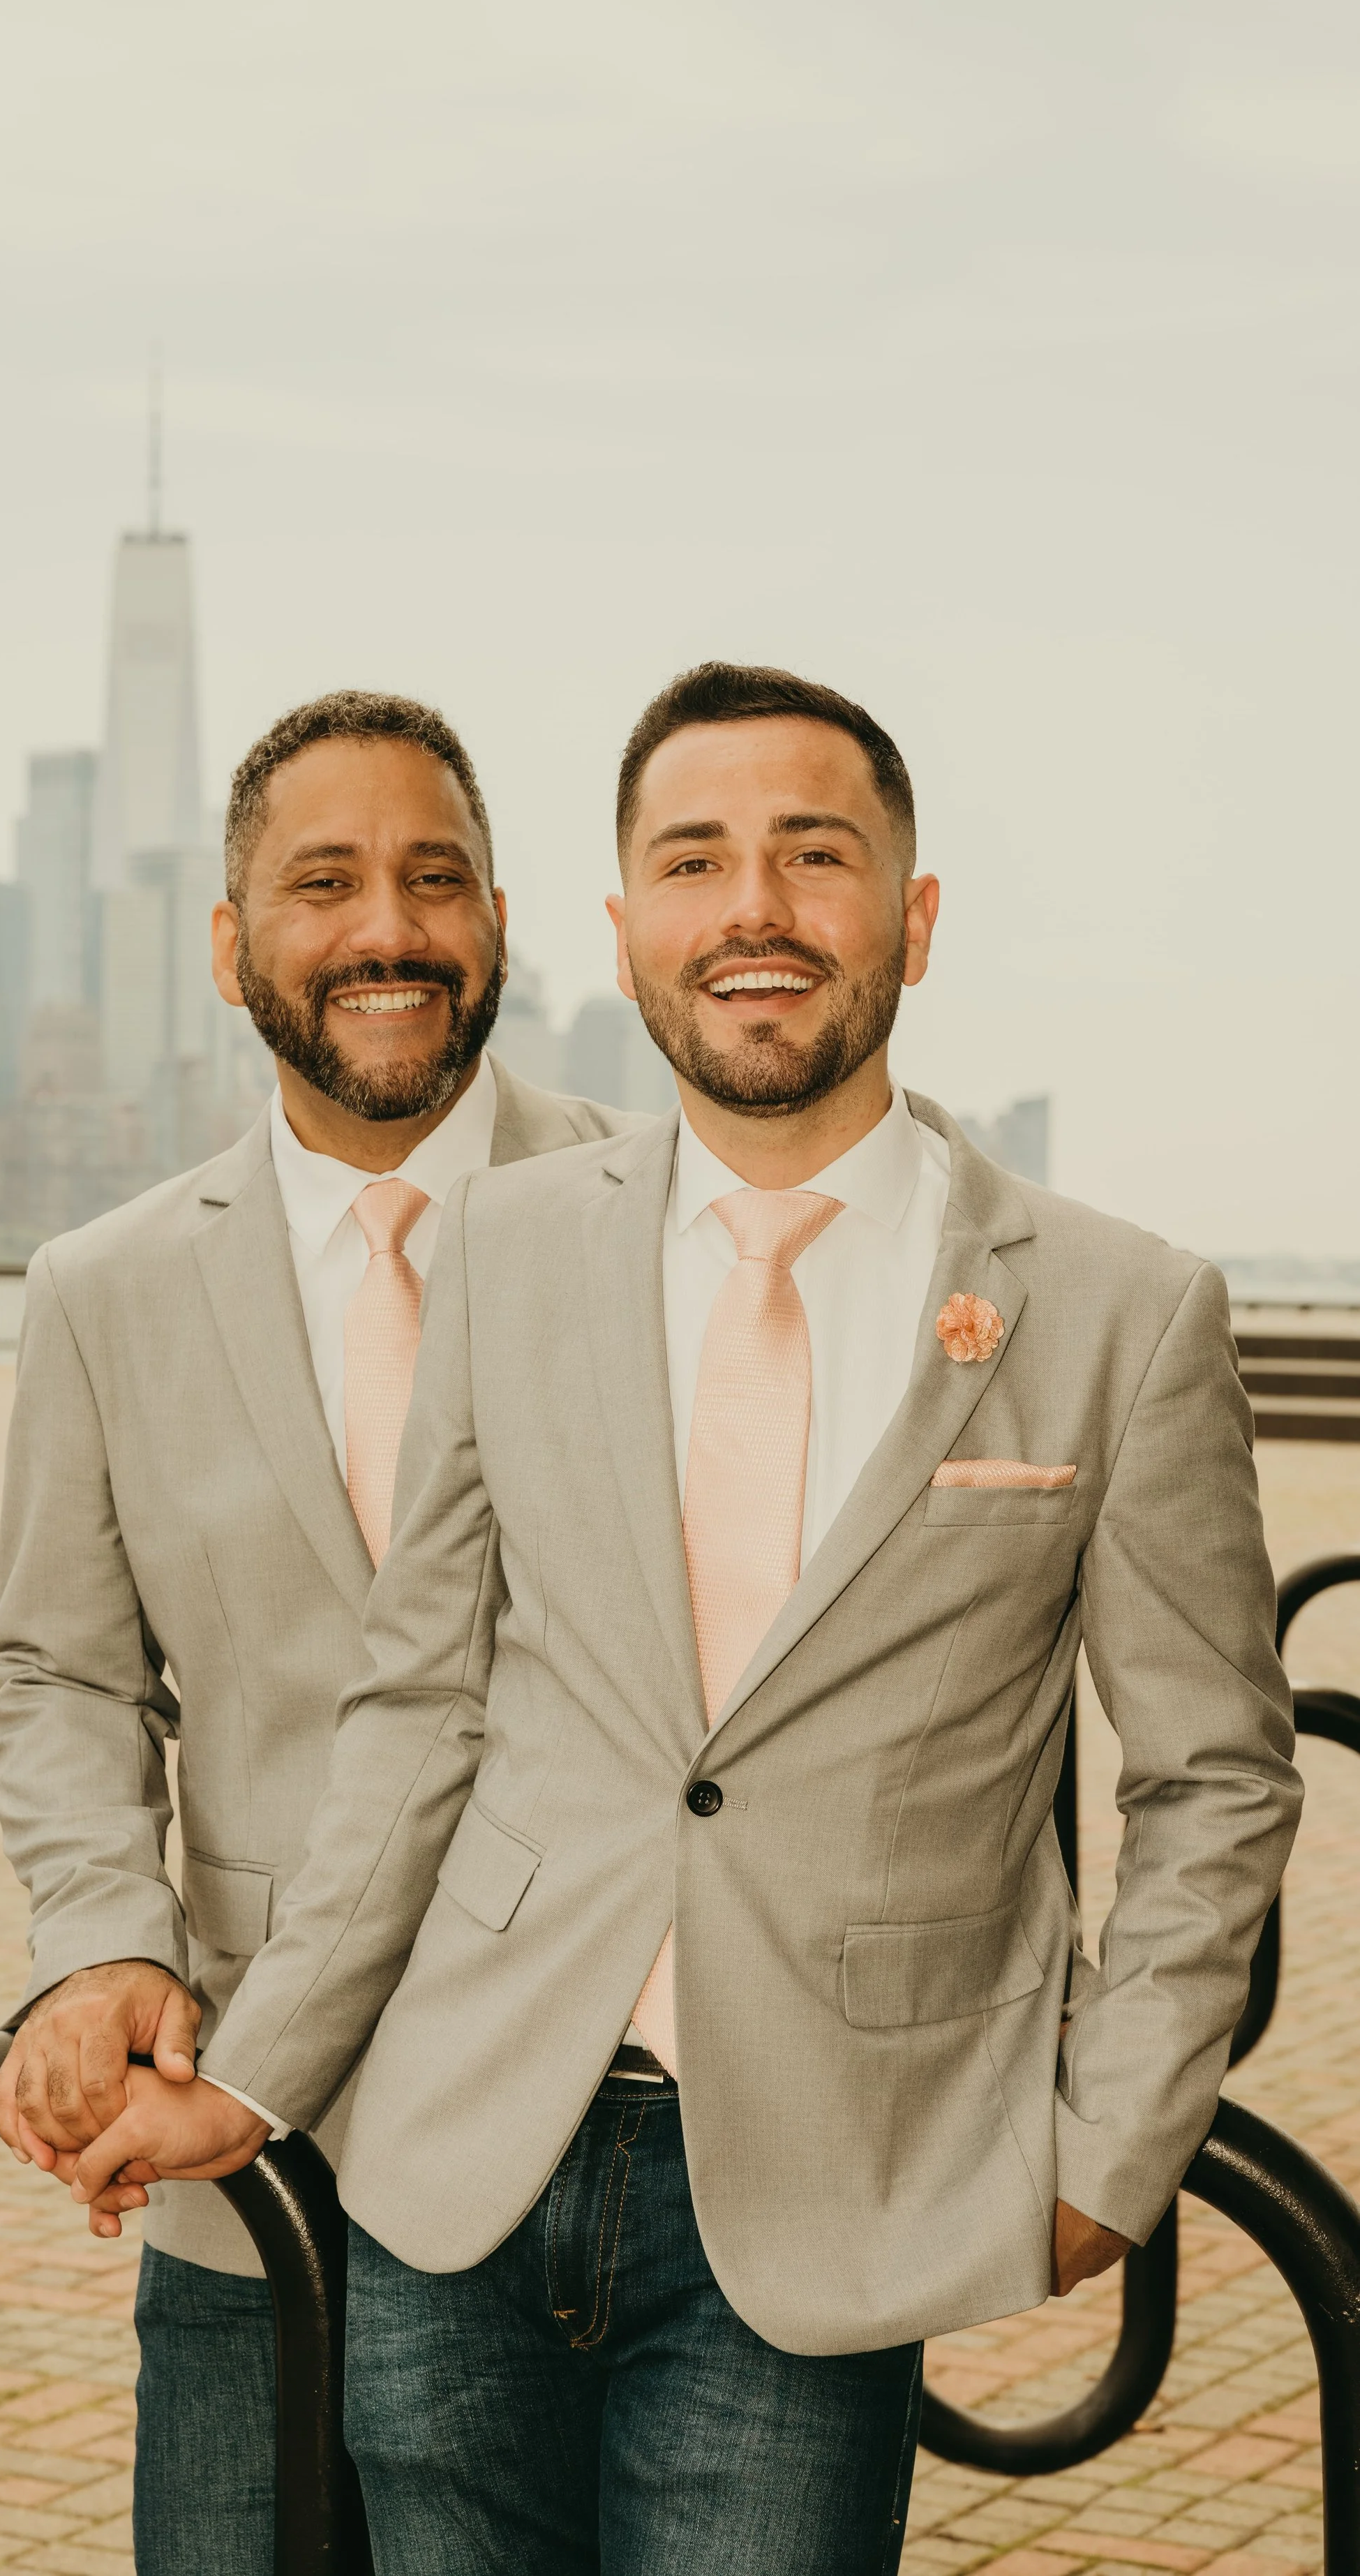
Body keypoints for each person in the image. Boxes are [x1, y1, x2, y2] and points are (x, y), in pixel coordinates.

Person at [65, 662, 1301, 2576]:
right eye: (693, 858)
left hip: (827, 2179)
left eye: (815, 855)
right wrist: (258, 2069)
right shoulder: (511, 1240)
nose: (756, 908)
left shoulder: (1119, 1310)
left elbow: (1214, 1777)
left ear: (914, 912)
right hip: (452, 2166)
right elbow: (420, 1703)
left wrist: (1107, 2149)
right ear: (625, 921)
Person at [0, 687, 629, 2576]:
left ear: (498, 924)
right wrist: (99, 1935)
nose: (386, 929)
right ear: (227, 943)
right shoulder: (97, 1290)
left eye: (435, 880)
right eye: (322, 880)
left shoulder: (653, 1218)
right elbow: (59, 1667)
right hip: (245, 2138)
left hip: (598, 2128)